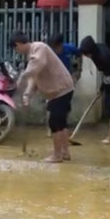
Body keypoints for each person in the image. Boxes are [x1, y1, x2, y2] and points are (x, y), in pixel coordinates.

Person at [11, 31, 75, 163]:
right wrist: (27, 94)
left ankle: (57, 155)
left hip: (61, 89)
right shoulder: (33, 56)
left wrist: (23, 76)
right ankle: (65, 153)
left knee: (55, 122)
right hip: (57, 91)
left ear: (18, 44)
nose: (17, 52)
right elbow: (34, 77)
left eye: (15, 49)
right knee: (61, 122)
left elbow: (35, 67)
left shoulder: (39, 48)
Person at [78, 35, 110, 144]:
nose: (86, 56)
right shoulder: (97, 51)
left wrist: (101, 89)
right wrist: (102, 89)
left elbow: (108, 76)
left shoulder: (103, 57)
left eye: (86, 53)